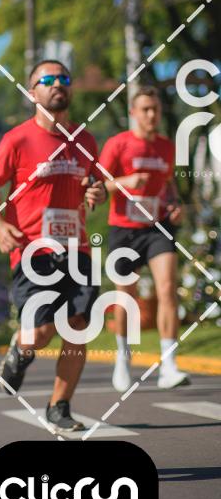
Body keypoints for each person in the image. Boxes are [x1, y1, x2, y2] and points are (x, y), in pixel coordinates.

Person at [0, 60, 107, 434]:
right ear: (32, 92)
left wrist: (97, 191)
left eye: (63, 78)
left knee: (78, 325)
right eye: (47, 80)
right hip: (33, 250)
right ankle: (20, 351)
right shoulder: (17, 139)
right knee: (41, 332)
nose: (57, 84)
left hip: (77, 248)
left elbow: (95, 184)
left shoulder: (85, 140)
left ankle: (59, 406)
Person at [99, 85, 188, 391]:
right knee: (126, 297)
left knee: (167, 288)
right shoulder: (118, 143)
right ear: (133, 112)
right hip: (124, 229)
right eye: (145, 109)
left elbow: (169, 184)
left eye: (156, 109)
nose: (151, 115)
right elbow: (99, 185)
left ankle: (169, 366)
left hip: (156, 227)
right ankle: (123, 360)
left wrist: (175, 205)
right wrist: (126, 181)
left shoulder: (166, 147)